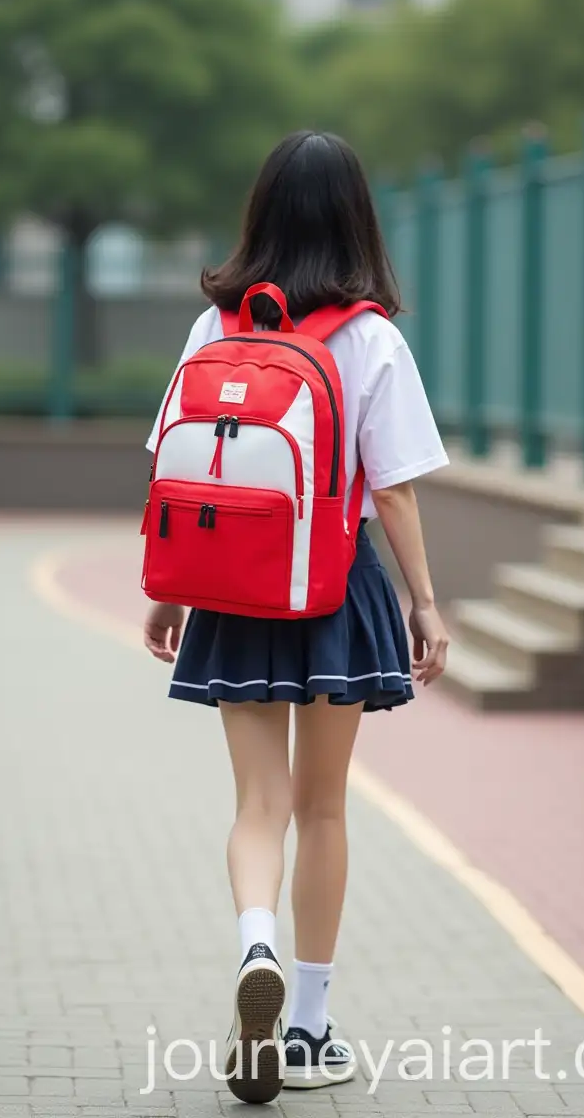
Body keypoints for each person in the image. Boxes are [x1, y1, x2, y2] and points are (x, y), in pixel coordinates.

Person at [144, 131, 449, 1104]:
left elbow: (182, 467)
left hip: (231, 590)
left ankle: (254, 944)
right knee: (323, 804)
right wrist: (425, 606)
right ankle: (310, 1026)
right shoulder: (369, 336)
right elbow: (393, 493)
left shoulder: (214, 327)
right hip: (332, 587)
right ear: (357, 218)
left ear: (261, 211)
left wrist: (169, 588)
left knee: (256, 803)